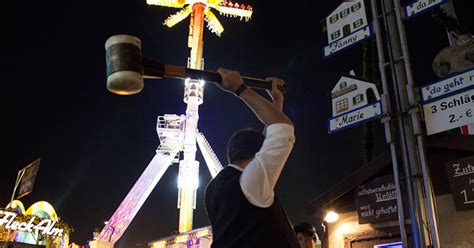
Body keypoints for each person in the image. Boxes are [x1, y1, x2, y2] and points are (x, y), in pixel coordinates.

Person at [204, 68, 299, 248]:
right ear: (257, 155)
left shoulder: (214, 189)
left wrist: (276, 103)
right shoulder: (248, 184)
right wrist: (240, 89)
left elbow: (267, 142)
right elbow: (281, 128)